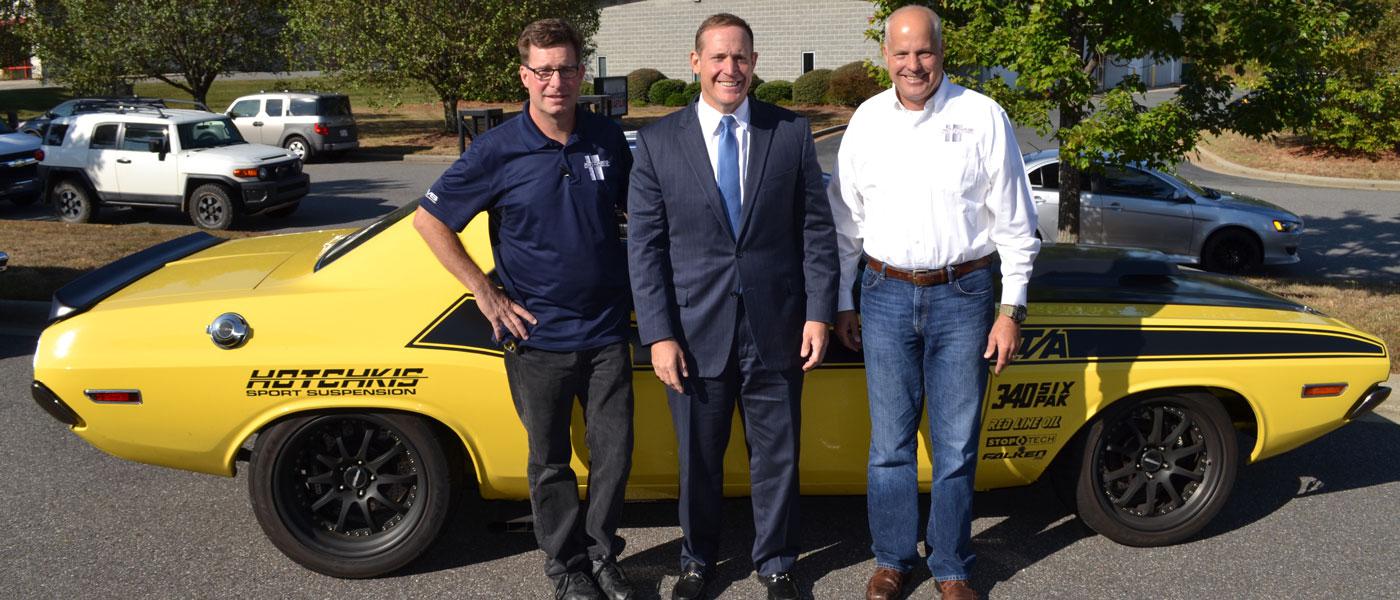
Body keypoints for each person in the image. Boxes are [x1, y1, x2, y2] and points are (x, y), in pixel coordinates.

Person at [412, 18, 635, 600]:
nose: (555, 81)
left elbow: (638, 216)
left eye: (565, 68)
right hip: (536, 339)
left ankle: (604, 555)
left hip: (609, 331)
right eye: (543, 70)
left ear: (582, 74)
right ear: (525, 76)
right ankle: (567, 570)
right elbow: (429, 221)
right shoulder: (494, 150)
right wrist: (485, 294)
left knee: (613, 457)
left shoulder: (607, 140)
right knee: (551, 463)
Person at [826, 6, 1040, 600]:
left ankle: (951, 565)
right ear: (885, 58)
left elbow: (1017, 225)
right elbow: (847, 223)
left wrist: (1010, 309)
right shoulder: (866, 121)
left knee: (955, 443)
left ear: (942, 53)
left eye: (924, 52)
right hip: (884, 295)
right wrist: (846, 302)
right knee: (889, 445)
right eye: (901, 53)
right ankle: (893, 560)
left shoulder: (982, 116)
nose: (913, 64)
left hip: (965, 295)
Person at [627, 12, 838, 600]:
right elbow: (645, 249)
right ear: (695, 63)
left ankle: (776, 563)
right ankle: (698, 561)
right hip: (693, 334)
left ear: (754, 62)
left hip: (777, 328)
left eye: (740, 56)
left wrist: (819, 312)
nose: (730, 68)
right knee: (698, 461)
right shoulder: (659, 140)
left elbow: (815, 233)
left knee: (778, 457)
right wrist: (659, 334)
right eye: (717, 57)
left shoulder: (790, 133)